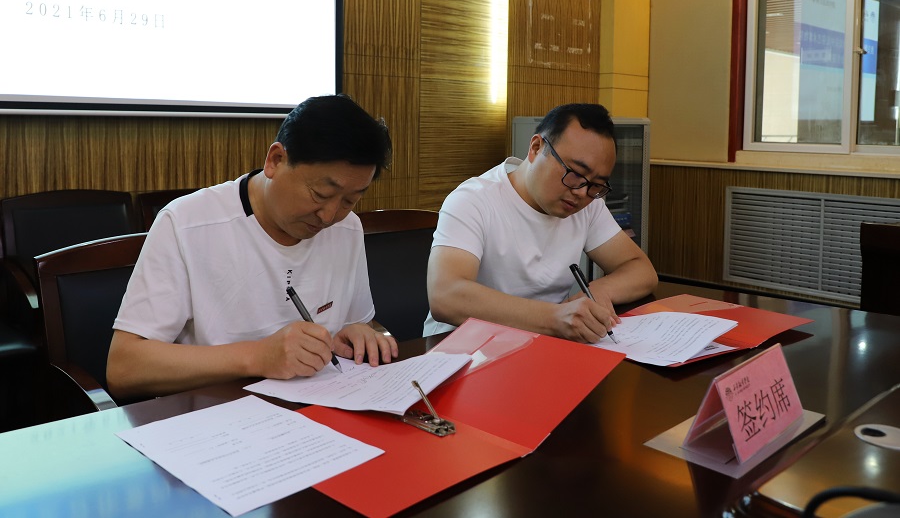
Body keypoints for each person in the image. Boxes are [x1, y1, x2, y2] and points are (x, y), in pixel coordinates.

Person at [107, 94, 398, 400]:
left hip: (318, 409)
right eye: (320, 194)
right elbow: (124, 369)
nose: (329, 216)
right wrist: (258, 356)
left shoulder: (346, 227)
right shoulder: (187, 224)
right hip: (215, 415)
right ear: (275, 160)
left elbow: (358, 323)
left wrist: (356, 334)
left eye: (350, 200)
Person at [424, 103, 658, 343]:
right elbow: (446, 296)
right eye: (575, 173)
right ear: (536, 148)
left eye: (596, 185)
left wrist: (600, 290)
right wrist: (555, 318)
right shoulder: (473, 200)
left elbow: (641, 269)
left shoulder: (588, 204)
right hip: (460, 348)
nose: (581, 192)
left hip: (539, 344)